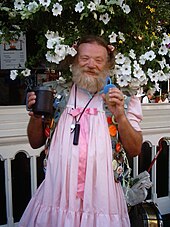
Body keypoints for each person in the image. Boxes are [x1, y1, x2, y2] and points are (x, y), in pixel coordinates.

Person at [19, 35, 143, 227]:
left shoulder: (122, 98)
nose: (91, 64)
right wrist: (36, 116)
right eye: (85, 58)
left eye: (98, 60)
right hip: (58, 194)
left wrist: (120, 115)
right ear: (75, 61)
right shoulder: (57, 95)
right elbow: (35, 143)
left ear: (108, 65)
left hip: (102, 197)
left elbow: (135, 149)